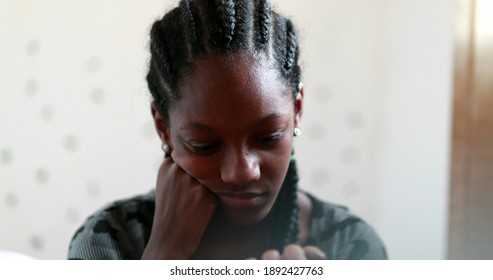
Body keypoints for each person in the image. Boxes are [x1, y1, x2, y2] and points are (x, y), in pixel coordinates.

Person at [68, 0, 387, 260]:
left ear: (298, 109)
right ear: (163, 127)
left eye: (268, 137)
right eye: (204, 144)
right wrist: (165, 254)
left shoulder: (351, 247)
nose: (242, 173)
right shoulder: (108, 242)